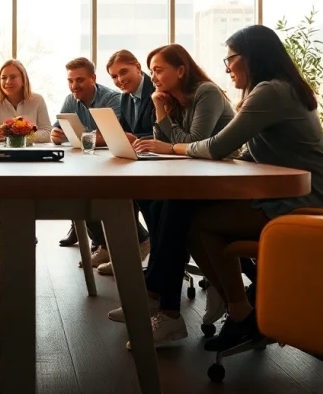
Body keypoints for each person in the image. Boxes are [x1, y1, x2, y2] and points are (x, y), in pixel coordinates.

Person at [180, 25, 323, 352]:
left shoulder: (271, 91)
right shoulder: (281, 89)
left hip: (308, 205)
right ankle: (248, 306)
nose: (227, 68)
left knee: (197, 224)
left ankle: (242, 313)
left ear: (251, 57)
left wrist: (173, 148)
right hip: (307, 197)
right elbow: (249, 152)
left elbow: (217, 146)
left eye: (230, 59)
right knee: (196, 215)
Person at [106, 44, 235, 347]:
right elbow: (163, 141)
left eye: (158, 70)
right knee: (155, 203)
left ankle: (156, 298)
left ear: (181, 70)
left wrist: (162, 117)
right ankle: (165, 309)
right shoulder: (173, 98)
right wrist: (161, 108)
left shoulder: (206, 92)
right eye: (152, 71)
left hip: (226, 182)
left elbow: (194, 143)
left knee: (173, 207)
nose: (154, 77)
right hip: (199, 178)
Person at [86, 50, 156, 276]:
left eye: (123, 72)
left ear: (138, 66)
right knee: (99, 187)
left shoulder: (157, 90)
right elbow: (124, 131)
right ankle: (121, 252)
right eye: (114, 77)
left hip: (159, 161)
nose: (119, 80)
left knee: (120, 193)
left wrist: (135, 139)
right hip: (138, 159)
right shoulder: (126, 98)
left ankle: (137, 253)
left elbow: (163, 134)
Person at [0, 59, 53, 247]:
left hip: (28, 158)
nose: (7, 82)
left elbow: (47, 133)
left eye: (12, 77)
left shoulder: (37, 100)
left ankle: (27, 227)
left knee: (27, 188)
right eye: (3, 78)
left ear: (23, 79)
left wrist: (21, 134)